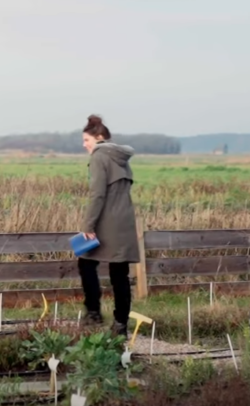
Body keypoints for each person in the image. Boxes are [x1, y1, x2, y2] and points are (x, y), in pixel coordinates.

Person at [77, 114, 139, 336]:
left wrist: (87, 226)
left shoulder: (99, 157)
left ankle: (93, 312)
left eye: (86, 140)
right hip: (124, 221)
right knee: (119, 273)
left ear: (99, 137)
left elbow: (97, 195)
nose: (85, 145)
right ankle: (120, 324)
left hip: (104, 221)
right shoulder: (121, 157)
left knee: (85, 262)